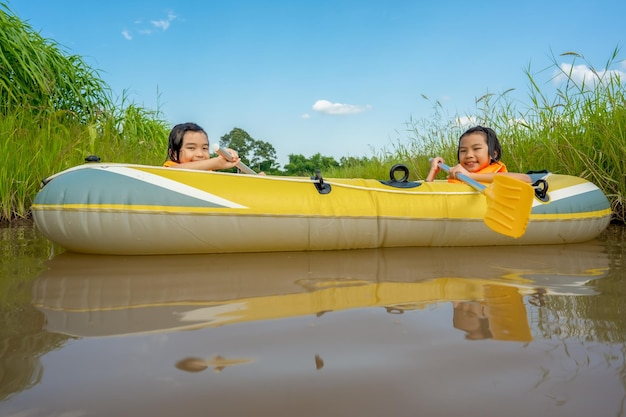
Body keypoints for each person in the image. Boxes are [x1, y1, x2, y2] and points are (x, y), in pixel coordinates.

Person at [425, 126, 531, 183]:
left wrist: (470, 176)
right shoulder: (458, 174)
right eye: (463, 150)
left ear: (492, 154)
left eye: (476, 149)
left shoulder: (496, 175)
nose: (468, 155)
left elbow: (526, 179)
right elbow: (426, 196)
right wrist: (433, 172)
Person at [163, 122, 241, 171]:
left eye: (204, 148)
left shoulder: (209, 173)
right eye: (191, 148)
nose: (200, 154)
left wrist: (224, 160)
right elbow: (172, 171)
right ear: (174, 154)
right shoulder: (170, 169)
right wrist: (218, 162)